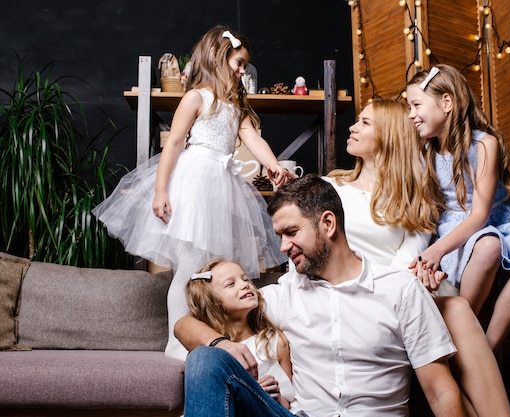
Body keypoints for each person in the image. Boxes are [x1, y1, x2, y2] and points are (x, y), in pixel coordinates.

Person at [177, 175, 468, 417]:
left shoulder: (400, 289)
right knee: (205, 359)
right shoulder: (285, 295)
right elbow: (185, 325)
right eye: (280, 236)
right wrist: (220, 344)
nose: (283, 246)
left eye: (291, 232)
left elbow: (440, 391)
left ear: (328, 224)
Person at [92, 25, 288, 360]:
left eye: (244, 66)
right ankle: (175, 340)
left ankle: (209, 339)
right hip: (194, 183)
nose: (242, 71)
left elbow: (253, 138)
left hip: (222, 188)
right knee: (188, 270)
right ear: (217, 57)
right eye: (238, 63)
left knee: (213, 270)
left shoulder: (234, 106)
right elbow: (173, 145)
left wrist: (273, 164)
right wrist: (160, 190)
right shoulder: (197, 97)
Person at [326, 98, 510, 416]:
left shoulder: (416, 198)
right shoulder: (329, 188)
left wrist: (421, 276)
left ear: (391, 134)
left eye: (365, 123)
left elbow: (409, 261)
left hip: (404, 290)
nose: (353, 128)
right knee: (451, 306)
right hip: (353, 293)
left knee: (454, 305)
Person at [406, 64, 510, 351]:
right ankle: (463, 335)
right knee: (488, 246)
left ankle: (486, 350)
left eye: (417, 104)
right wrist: (432, 245)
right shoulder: (425, 153)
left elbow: (481, 214)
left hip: (496, 217)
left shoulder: (485, 144)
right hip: (457, 224)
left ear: (446, 103)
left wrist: (437, 250)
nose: (411, 114)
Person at [185, 260, 293, 409]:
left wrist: (276, 396)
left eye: (245, 279)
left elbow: (288, 405)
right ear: (212, 301)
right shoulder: (209, 349)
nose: (245, 285)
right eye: (231, 284)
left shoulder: (273, 341)